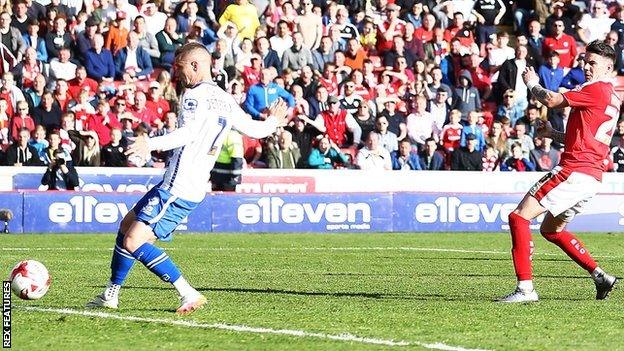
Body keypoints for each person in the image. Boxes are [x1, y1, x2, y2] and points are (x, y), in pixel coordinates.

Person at [86, 43, 289, 315]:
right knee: (127, 226)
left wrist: (151, 143)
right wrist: (273, 122)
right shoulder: (224, 98)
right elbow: (255, 128)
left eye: (180, 67)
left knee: (134, 242)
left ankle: (187, 292)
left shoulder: (194, 96)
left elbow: (188, 134)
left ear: (195, 65)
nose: (177, 74)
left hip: (178, 187)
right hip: (184, 184)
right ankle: (111, 294)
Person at [499, 40, 619, 303]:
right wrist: (553, 134)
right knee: (551, 230)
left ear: (608, 68)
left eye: (593, 63)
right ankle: (600, 276)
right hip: (591, 176)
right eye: (585, 62)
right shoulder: (612, 97)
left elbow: (552, 100)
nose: (586, 67)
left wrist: (531, 82)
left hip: (574, 170)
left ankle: (525, 290)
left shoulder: (596, 89)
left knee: (518, 218)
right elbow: (585, 138)